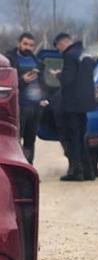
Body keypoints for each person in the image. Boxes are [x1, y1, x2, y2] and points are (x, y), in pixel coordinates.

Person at [51, 32, 94, 181]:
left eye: (58, 48)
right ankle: (89, 171)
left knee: (73, 138)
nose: (59, 51)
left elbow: (68, 80)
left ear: (62, 44)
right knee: (82, 137)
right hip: (85, 103)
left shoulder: (69, 56)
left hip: (72, 104)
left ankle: (77, 172)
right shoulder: (84, 53)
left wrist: (58, 75)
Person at [3, 33, 48, 163]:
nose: (28, 47)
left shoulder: (37, 62)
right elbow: (7, 83)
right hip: (18, 106)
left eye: (31, 45)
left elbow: (42, 83)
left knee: (30, 140)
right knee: (15, 140)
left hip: (35, 107)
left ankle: (29, 167)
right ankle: (16, 168)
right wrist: (22, 80)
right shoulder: (9, 60)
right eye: (25, 44)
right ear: (19, 43)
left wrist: (43, 98)